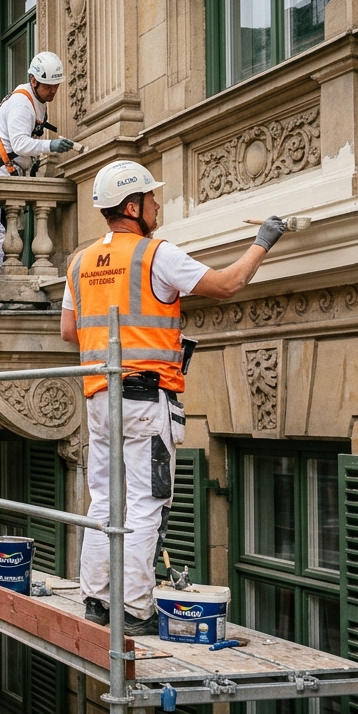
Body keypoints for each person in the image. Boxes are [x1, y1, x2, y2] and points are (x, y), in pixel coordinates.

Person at [61, 160, 287, 635]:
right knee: (145, 503)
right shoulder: (153, 254)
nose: (157, 204)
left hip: (100, 398)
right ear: (132, 206)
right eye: (151, 197)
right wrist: (263, 241)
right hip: (146, 399)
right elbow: (228, 285)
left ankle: (97, 601)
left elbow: (69, 330)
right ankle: (136, 609)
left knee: (103, 500)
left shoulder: (79, 261)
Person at [0, 51, 74, 269]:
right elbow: (19, 144)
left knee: (10, 232)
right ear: (33, 80)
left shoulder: (37, 100)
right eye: (49, 86)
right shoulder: (22, 104)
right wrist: (51, 145)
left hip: (9, 173)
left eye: (56, 85)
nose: (53, 90)